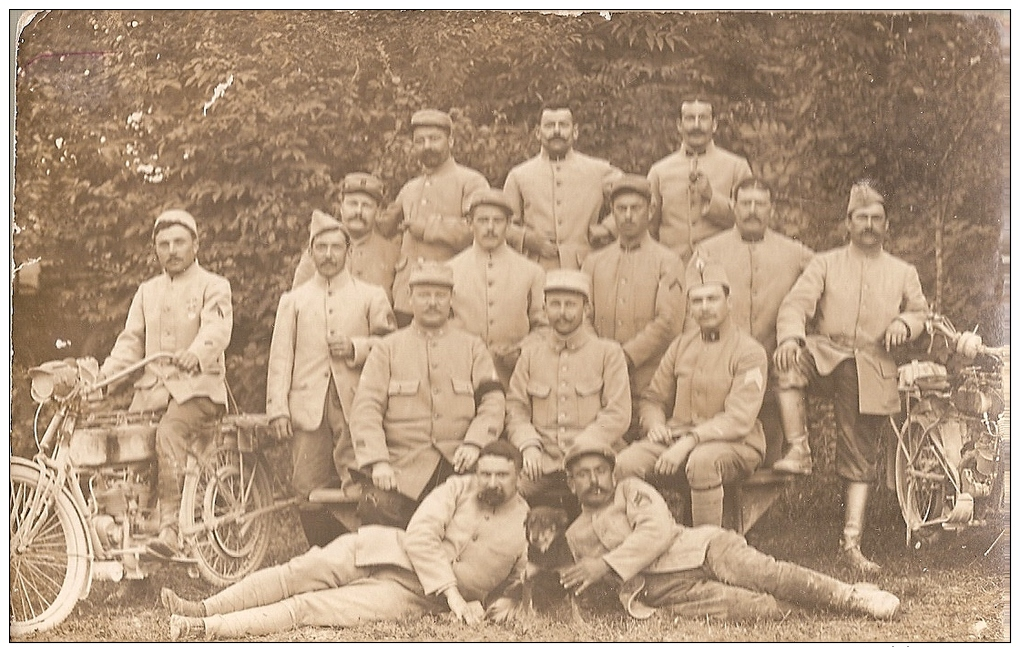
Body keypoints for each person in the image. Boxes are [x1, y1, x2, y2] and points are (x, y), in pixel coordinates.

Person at [162, 441, 529, 640]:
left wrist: (484, 605)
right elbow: (419, 535)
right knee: (298, 570)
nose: (491, 483)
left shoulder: (526, 525)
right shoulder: (457, 487)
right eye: (485, 473)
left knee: (312, 608)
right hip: (386, 547)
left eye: (502, 475)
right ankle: (204, 608)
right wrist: (453, 594)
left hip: (414, 594)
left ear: (519, 477)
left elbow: (518, 585)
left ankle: (207, 629)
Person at [560, 439, 901, 622]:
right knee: (756, 610)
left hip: (701, 548)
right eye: (583, 475)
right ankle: (824, 607)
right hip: (668, 592)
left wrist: (604, 565)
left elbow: (657, 530)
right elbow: (600, 586)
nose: (594, 481)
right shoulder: (576, 534)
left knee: (769, 575)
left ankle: (851, 597)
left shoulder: (630, 490)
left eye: (601, 471)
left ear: (612, 473)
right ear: (570, 484)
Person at [774, 181, 928, 572]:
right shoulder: (825, 263)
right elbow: (795, 303)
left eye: (877, 219)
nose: (869, 225)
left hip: (871, 366)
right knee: (789, 360)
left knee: (859, 447)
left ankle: (851, 543)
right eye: (862, 218)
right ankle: (798, 449)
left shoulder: (902, 271)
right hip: (827, 356)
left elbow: (921, 313)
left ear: (887, 225)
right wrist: (792, 336)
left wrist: (903, 323)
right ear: (848, 223)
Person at [98, 209, 232, 556]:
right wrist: (104, 379)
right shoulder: (147, 292)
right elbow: (130, 343)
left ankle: (171, 528)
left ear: (195, 244)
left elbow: (216, 330)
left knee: (169, 432)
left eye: (179, 242)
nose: (171, 250)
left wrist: (196, 353)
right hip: (153, 392)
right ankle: (127, 551)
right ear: (155, 249)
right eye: (163, 244)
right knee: (123, 448)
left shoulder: (213, 286)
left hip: (198, 389)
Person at [267, 210, 396, 546]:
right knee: (306, 485)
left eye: (335, 247)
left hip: (356, 402)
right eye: (320, 247)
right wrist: (277, 408)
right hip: (308, 404)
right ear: (310, 253)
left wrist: (357, 346)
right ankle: (319, 550)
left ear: (348, 251)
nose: (327, 255)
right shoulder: (293, 301)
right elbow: (281, 357)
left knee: (358, 476)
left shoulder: (371, 296)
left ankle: (360, 547)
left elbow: (391, 345)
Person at [615, 261, 767, 527]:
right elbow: (653, 398)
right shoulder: (681, 345)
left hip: (737, 444)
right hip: (676, 439)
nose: (705, 307)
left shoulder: (749, 351)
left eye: (712, 299)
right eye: (697, 301)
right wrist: (655, 424)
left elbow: (739, 419)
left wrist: (689, 441)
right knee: (624, 464)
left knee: (702, 461)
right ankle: (642, 543)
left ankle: (705, 550)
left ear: (729, 302)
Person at [349, 262, 505, 503]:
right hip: (402, 468)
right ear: (410, 298)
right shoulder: (386, 349)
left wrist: (475, 443)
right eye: (424, 295)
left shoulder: (472, 347)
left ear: (451, 299)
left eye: (440, 295)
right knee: (378, 508)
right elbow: (365, 409)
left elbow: (493, 403)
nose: (432, 302)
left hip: (459, 463)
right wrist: (379, 462)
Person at [686, 177, 815, 468]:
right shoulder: (708, 251)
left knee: (769, 459)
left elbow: (826, 282)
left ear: (772, 210)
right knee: (717, 452)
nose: (752, 210)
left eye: (760, 204)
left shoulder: (794, 252)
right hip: (722, 370)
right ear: (733, 206)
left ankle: (766, 515)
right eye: (745, 203)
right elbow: (692, 311)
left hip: (771, 367)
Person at [506, 269, 631, 517]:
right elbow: (516, 409)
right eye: (555, 304)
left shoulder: (608, 353)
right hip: (543, 461)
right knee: (504, 492)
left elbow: (618, 413)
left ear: (586, 309)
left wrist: (584, 447)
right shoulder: (531, 354)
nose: (562, 312)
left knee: (611, 512)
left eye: (571, 305)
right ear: (544, 308)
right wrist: (529, 445)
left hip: (593, 458)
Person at [581, 174, 680, 431]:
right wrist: (603, 356)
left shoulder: (667, 261)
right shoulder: (594, 262)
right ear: (612, 213)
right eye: (620, 209)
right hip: (601, 377)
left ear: (650, 211)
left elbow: (668, 322)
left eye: (635, 209)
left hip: (650, 378)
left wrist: (626, 356)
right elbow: (583, 316)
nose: (627, 216)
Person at [381, 109, 490, 326]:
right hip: (407, 296)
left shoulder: (471, 181)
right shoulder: (409, 188)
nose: (427, 146)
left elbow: (480, 230)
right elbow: (388, 234)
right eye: (420, 141)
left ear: (450, 141)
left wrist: (429, 228)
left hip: (450, 294)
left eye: (434, 139)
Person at [503, 104, 623, 270]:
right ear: (538, 132)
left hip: (585, 267)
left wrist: (608, 229)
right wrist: (526, 238)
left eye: (564, 125)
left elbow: (639, 196)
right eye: (549, 126)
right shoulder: (519, 175)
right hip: (535, 269)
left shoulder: (598, 170)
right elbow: (502, 223)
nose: (557, 131)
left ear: (575, 132)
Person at [448, 187, 547, 388]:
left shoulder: (532, 272)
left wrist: (521, 350)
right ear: (469, 223)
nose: (490, 228)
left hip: (514, 375)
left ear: (509, 224)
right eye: (483, 220)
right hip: (460, 374)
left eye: (498, 221)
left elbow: (545, 327)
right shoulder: (450, 270)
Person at [647, 98, 753, 262]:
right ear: (679, 125)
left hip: (722, 266)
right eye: (690, 118)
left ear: (714, 124)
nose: (696, 125)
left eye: (703, 118)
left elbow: (749, 220)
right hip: (674, 268)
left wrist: (711, 196)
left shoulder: (736, 167)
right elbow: (650, 227)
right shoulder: (659, 171)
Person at [292, 172, 400, 302]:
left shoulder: (393, 255)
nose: (358, 211)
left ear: (377, 212)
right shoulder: (319, 250)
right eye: (353, 204)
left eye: (366, 206)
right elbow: (296, 303)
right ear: (341, 207)